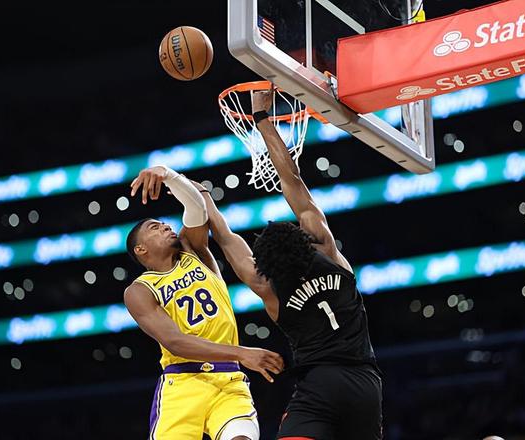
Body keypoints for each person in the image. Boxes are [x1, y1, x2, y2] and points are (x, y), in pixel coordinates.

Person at [195, 89, 383, 440]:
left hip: (318, 386)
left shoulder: (268, 288)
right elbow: (291, 179)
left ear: (264, 263)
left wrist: (202, 198)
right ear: (302, 237)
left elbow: (225, 238)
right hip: (364, 383)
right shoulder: (326, 249)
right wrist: (263, 119)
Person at [123, 165, 284, 440]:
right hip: (182, 384)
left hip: (228, 380)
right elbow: (176, 342)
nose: (165, 226)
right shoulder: (139, 291)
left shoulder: (192, 250)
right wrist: (242, 353)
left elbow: (197, 208)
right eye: (154, 227)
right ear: (141, 249)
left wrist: (168, 175)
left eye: (163, 223)